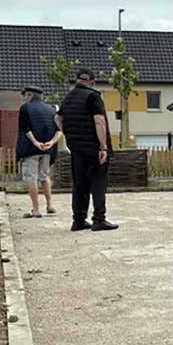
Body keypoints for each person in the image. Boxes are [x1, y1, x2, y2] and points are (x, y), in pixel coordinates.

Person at [55, 68, 118, 232]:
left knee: (79, 184)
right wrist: (103, 146)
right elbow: (99, 122)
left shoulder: (68, 98)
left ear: (77, 80)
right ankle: (99, 219)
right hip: (94, 148)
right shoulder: (93, 96)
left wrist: (69, 134)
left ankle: (78, 220)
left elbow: (57, 118)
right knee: (98, 183)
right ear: (93, 82)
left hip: (76, 148)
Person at [16, 86, 61, 219]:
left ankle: (36, 209)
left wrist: (35, 143)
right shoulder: (52, 109)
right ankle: (50, 205)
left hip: (30, 150)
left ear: (29, 95)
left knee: (32, 178)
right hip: (47, 149)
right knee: (44, 176)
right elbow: (59, 130)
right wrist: (51, 143)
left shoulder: (25, 108)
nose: (24, 98)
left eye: (25, 95)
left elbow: (26, 128)